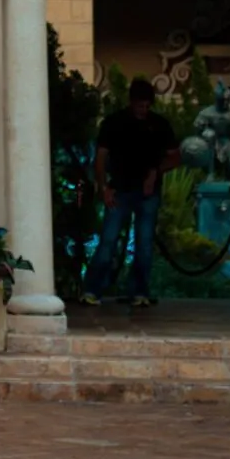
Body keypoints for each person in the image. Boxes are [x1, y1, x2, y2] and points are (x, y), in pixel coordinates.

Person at [80, 77, 180, 306]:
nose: (143, 110)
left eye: (147, 106)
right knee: (108, 241)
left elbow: (175, 156)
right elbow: (101, 157)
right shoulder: (115, 123)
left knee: (144, 244)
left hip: (147, 193)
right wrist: (103, 186)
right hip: (119, 189)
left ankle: (139, 292)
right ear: (131, 102)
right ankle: (92, 290)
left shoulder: (159, 124)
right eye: (139, 105)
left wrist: (156, 171)